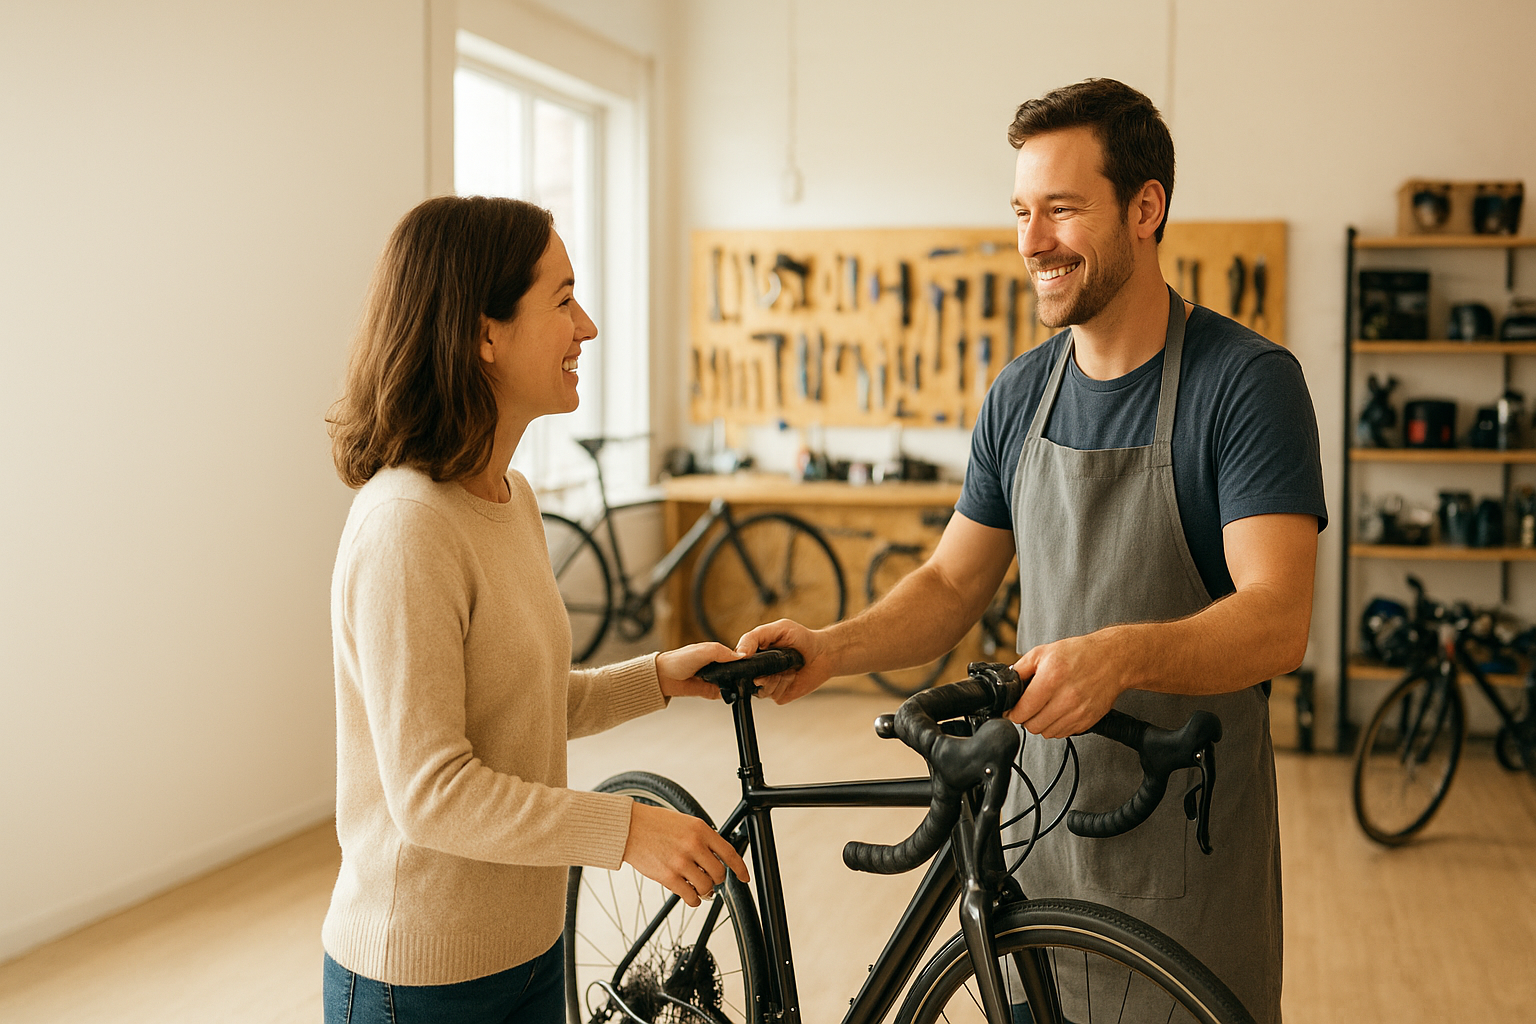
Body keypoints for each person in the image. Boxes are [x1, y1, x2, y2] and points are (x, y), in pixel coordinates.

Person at [738, 79, 1324, 1024]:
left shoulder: (1246, 385)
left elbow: (1277, 621)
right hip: (1035, 839)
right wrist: (834, 647)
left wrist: (1120, 654)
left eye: (1061, 208)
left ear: (1146, 208)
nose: (1032, 240)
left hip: (1183, 846)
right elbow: (950, 581)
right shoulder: (1020, 394)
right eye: (1021, 210)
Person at [321, 195, 748, 1024]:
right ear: (485, 334)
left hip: (527, 950)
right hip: (419, 981)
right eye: (561, 300)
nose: (586, 327)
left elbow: (518, 705)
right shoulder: (407, 526)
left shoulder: (509, 499)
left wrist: (659, 677)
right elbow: (433, 792)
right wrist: (627, 831)